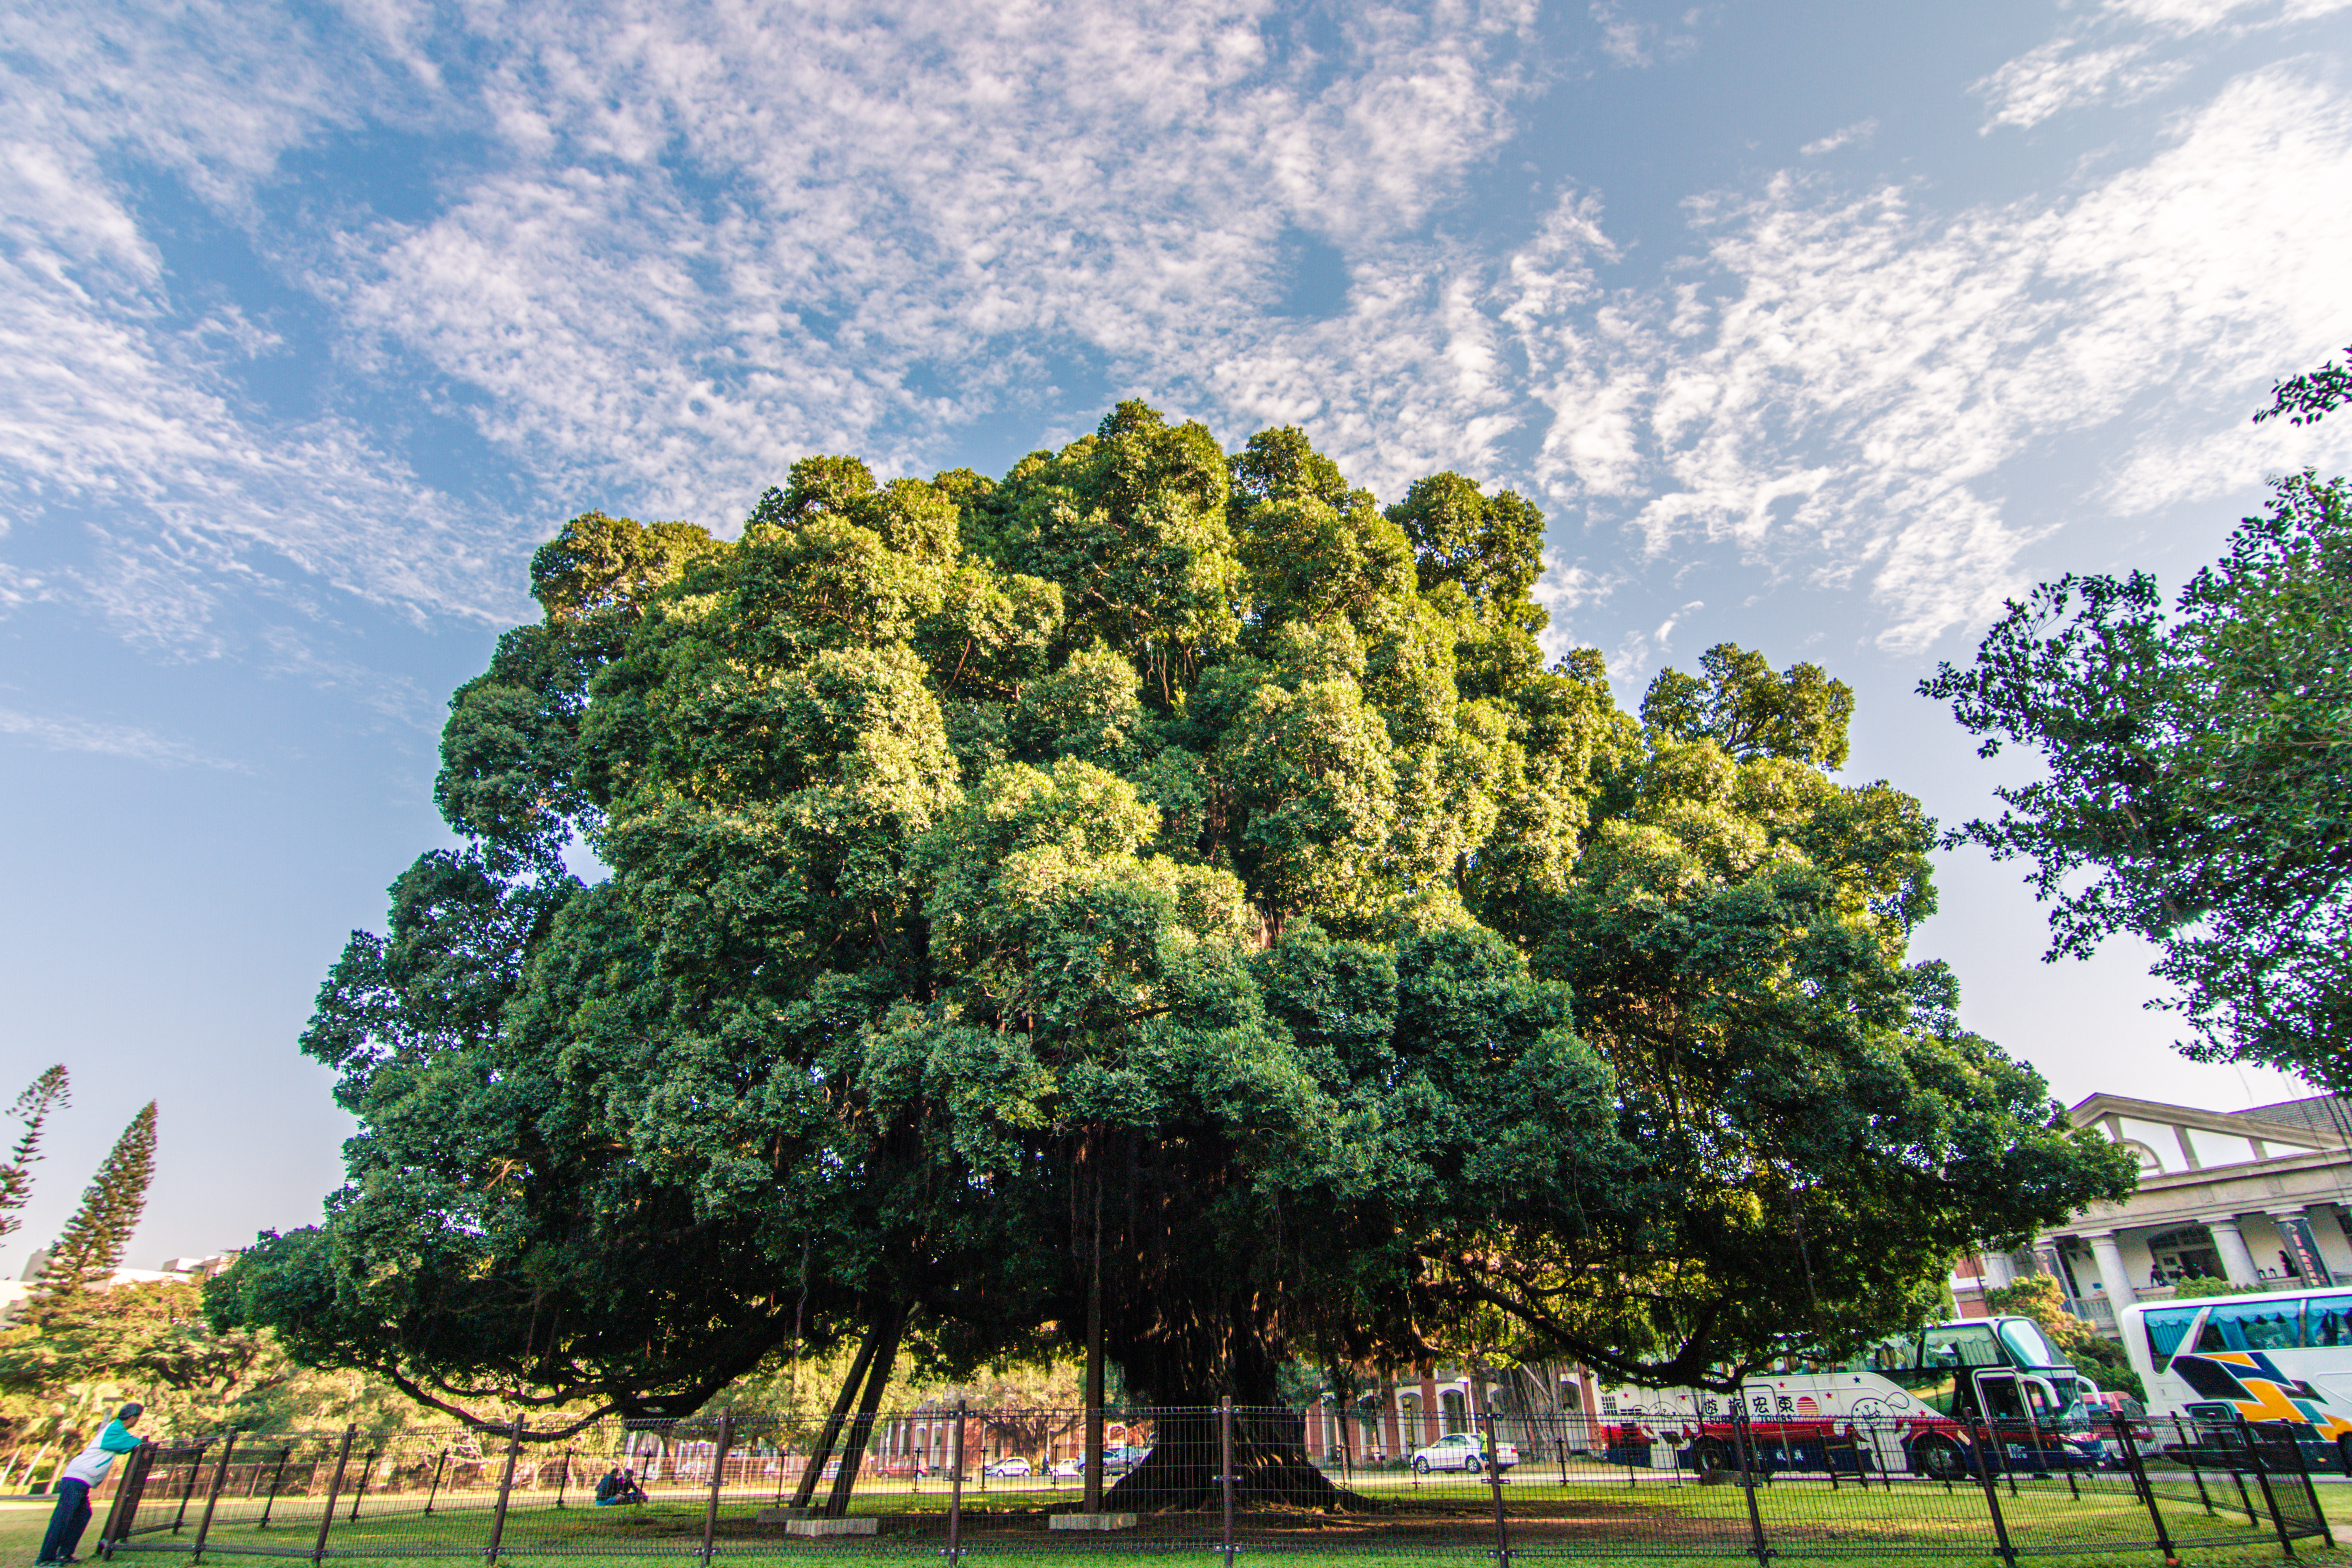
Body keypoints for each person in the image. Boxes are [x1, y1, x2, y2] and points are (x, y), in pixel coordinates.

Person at [37, 1402, 144, 1565]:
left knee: (82, 1515)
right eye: (138, 1418)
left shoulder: (116, 1430)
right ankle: (45, 1559)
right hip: (76, 1479)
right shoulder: (114, 1429)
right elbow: (133, 1444)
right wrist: (145, 1442)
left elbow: (126, 1445)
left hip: (80, 1481)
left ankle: (65, 1554)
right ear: (132, 1417)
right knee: (63, 1518)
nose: (138, 1421)